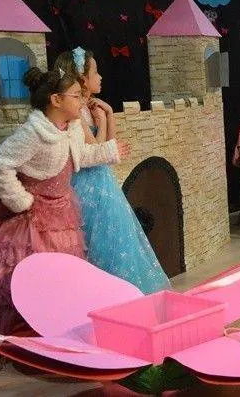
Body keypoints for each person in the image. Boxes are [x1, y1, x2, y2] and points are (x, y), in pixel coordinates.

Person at [0, 67, 127, 338]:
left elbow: (80, 156)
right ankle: (20, 334)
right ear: (56, 100)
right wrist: (20, 200)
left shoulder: (71, 129)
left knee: (60, 274)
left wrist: (108, 151)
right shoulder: (34, 133)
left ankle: (55, 328)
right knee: (25, 271)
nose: (81, 102)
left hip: (61, 213)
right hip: (31, 218)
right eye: (76, 96)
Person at [53, 47, 170, 294]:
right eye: (95, 72)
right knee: (101, 244)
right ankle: (106, 296)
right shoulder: (76, 113)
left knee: (118, 241)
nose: (100, 77)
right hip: (88, 185)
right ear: (82, 79)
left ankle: (123, 295)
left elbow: (108, 150)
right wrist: (104, 120)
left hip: (102, 181)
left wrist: (108, 117)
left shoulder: (88, 108)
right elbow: (98, 152)